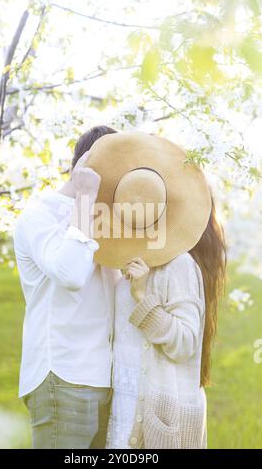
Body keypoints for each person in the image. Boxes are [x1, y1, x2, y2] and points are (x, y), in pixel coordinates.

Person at [83, 131, 227, 449]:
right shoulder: (127, 262)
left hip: (159, 421)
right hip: (124, 412)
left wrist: (142, 298)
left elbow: (187, 342)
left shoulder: (178, 267)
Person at [13, 125, 120, 449]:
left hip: (103, 379)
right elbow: (72, 274)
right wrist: (85, 195)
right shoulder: (39, 216)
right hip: (63, 377)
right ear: (88, 167)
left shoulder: (103, 216)